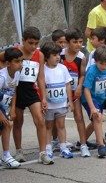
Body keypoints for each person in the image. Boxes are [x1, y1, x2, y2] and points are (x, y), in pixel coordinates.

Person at [0, 27, 51, 164]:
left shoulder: (39, 55)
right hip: (16, 89)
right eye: (30, 43)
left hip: (30, 90)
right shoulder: (15, 50)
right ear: (23, 41)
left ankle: (43, 153)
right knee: (18, 121)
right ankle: (19, 151)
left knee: (40, 119)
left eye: (36, 43)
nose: (33, 46)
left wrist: (44, 97)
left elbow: (40, 77)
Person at [60, 27, 92, 157]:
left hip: (75, 92)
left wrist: (79, 86)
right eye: (75, 42)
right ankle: (57, 143)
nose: (78, 45)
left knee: (79, 117)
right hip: (60, 91)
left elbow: (82, 74)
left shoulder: (81, 57)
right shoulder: (60, 54)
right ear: (67, 42)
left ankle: (83, 145)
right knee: (57, 119)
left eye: (80, 42)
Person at [40, 42, 74, 160]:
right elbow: (41, 86)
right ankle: (48, 148)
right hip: (49, 105)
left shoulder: (63, 68)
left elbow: (67, 84)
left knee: (61, 125)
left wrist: (70, 100)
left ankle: (63, 147)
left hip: (61, 103)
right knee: (48, 126)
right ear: (46, 57)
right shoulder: (43, 70)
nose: (58, 57)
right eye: (54, 55)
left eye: (58, 54)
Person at [81, 45, 106, 158]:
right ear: (95, 61)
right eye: (101, 63)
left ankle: (82, 140)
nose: (104, 66)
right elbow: (86, 90)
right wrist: (92, 107)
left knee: (95, 120)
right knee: (97, 117)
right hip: (89, 97)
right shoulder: (92, 71)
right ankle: (101, 145)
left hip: (101, 96)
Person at [0, 48, 23, 168]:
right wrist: (1, 114)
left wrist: (13, 109)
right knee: (7, 125)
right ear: (8, 63)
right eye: (16, 61)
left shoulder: (17, 73)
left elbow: (14, 92)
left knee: (6, 125)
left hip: (3, 105)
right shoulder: (2, 77)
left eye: (21, 61)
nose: (20, 64)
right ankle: (6, 155)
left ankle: (5, 155)